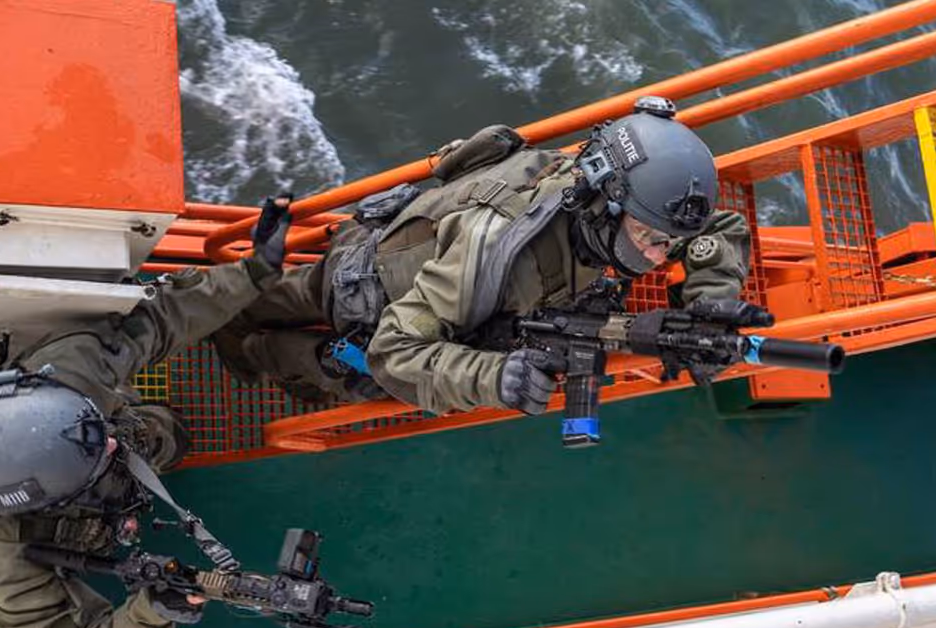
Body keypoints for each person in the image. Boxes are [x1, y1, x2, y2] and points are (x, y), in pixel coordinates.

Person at [213, 96, 752, 416]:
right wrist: (492, 379)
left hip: (386, 251)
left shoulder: (604, 189)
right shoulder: (493, 251)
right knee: (336, 366)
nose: (661, 258)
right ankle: (244, 350)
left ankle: (231, 309)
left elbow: (719, 229)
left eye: (663, 241)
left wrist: (711, 300)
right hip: (369, 296)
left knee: (282, 291)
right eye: (650, 239)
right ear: (605, 209)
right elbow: (393, 351)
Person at [0, 251, 279, 628]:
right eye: (96, 453)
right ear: (64, 497)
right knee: (163, 433)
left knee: (155, 428)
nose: (110, 442)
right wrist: (150, 612)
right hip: (2, 544)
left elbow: (155, 322)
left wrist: (251, 272)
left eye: (93, 431)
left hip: (47, 461)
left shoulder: (62, 378)